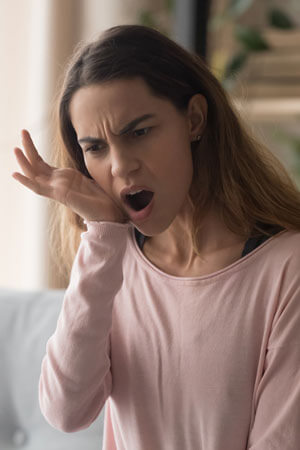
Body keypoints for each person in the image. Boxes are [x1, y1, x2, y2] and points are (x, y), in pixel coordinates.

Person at [12, 25, 300, 450]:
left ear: (195, 119)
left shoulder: (287, 268)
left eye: (139, 132)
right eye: (95, 148)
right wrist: (102, 239)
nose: (120, 167)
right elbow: (65, 411)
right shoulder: (111, 259)